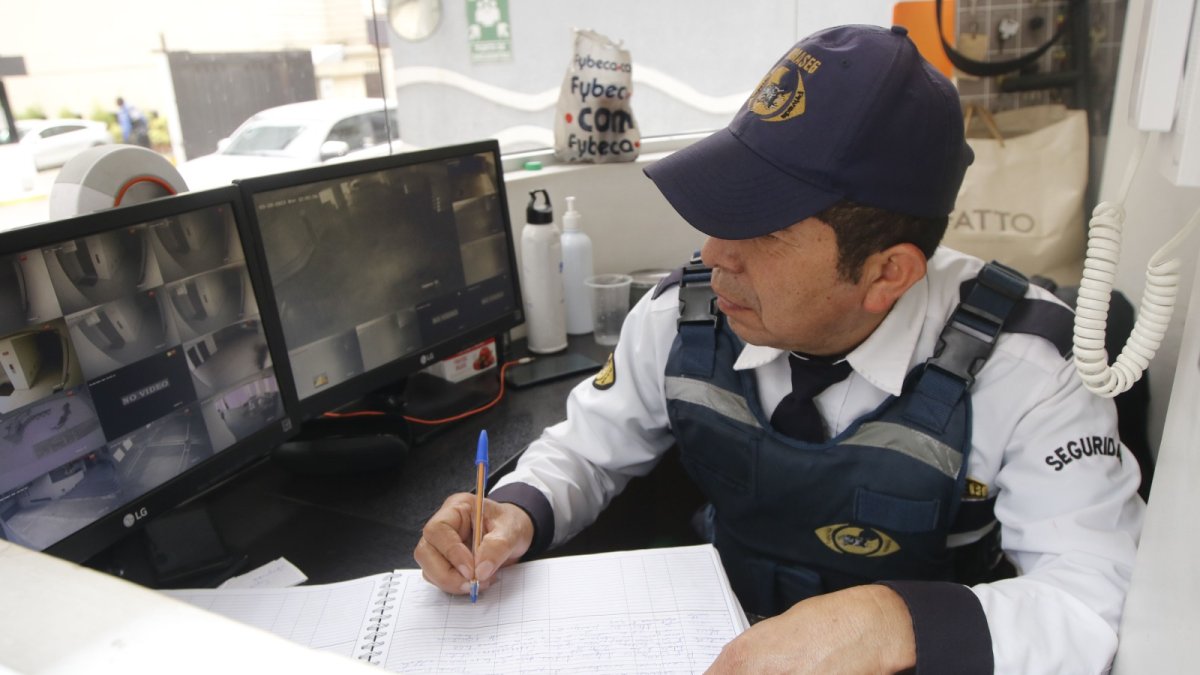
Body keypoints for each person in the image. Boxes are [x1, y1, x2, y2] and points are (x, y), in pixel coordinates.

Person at [414, 24, 1143, 674]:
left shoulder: (1030, 367)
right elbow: (588, 444)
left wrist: (894, 620)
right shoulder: (685, 313)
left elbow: (1095, 599)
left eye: (764, 231)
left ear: (888, 273)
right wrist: (514, 508)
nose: (713, 252)